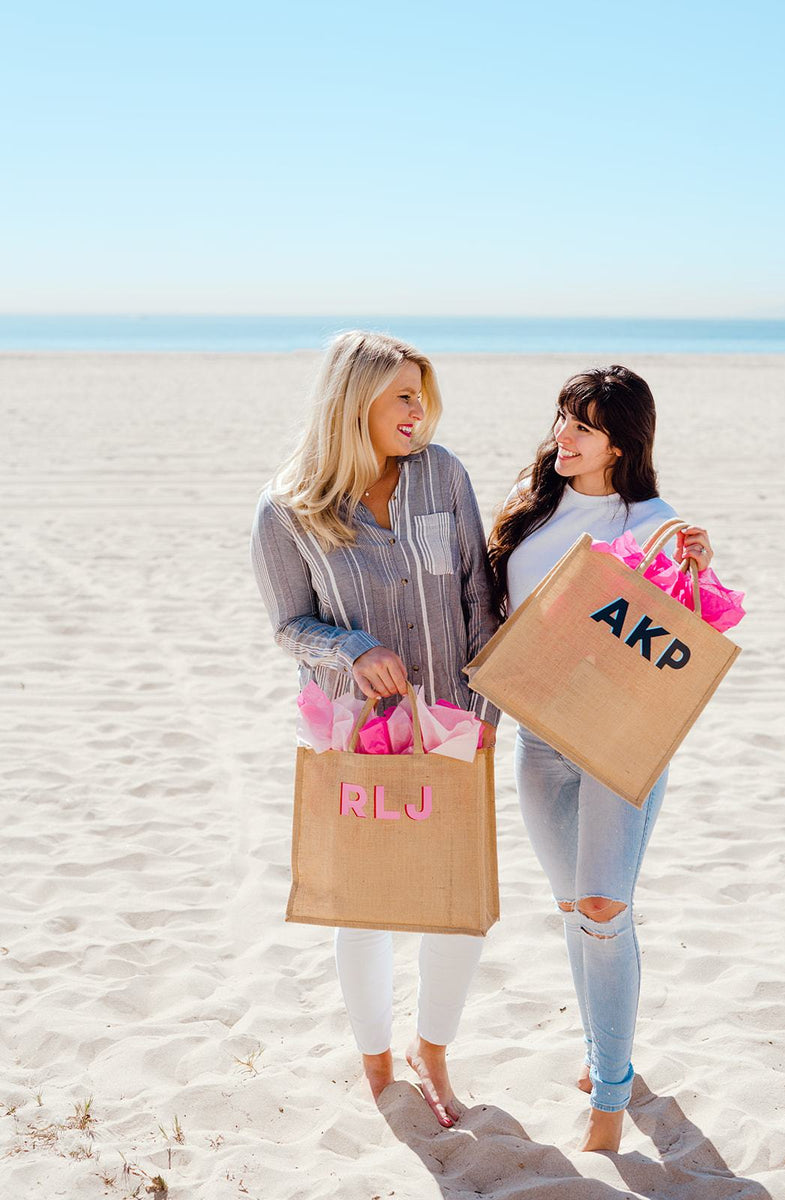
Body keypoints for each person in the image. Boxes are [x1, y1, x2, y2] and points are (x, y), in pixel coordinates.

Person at [251, 330, 500, 1127]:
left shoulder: (444, 474)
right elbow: (289, 625)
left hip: (456, 727)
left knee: (457, 906)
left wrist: (483, 720)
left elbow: (481, 604)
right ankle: (376, 1061)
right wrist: (351, 648)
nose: (417, 408)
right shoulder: (288, 510)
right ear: (352, 401)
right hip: (355, 736)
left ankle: (433, 1051)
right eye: (401, 394)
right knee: (363, 909)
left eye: (421, 392)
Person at [488, 365, 714, 1153]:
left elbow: (682, 635)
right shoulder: (528, 514)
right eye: (561, 419)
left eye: (582, 426)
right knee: (572, 914)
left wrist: (696, 565)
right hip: (538, 740)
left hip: (618, 746)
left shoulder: (655, 523)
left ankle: (610, 1106)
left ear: (622, 441)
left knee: (604, 912)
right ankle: (602, 1051)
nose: (564, 437)